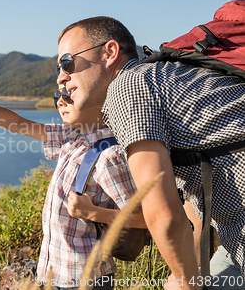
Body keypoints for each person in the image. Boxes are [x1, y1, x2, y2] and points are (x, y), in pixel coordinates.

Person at [56, 16, 245, 290]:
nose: (62, 76)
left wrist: (187, 282)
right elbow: (197, 181)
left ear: (110, 52)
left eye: (67, 62)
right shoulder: (167, 76)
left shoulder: (127, 88)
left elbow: (164, 216)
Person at [0, 88, 145, 290]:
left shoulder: (109, 156)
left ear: (101, 101)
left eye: (68, 95)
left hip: (86, 278)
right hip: (54, 272)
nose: (60, 101)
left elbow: (145, 218)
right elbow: (17, 123)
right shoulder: (71, 138)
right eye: (57, 96)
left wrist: (93, 213)